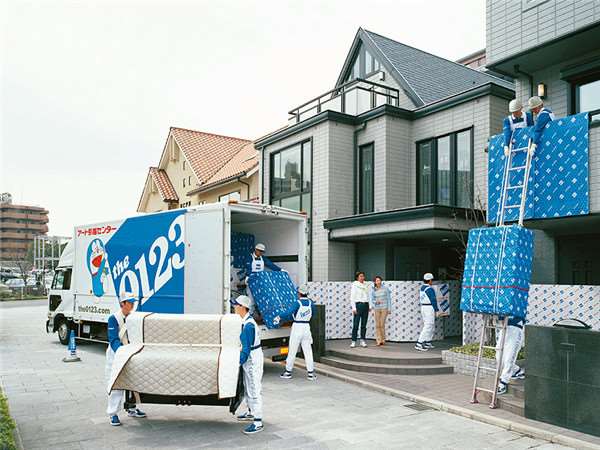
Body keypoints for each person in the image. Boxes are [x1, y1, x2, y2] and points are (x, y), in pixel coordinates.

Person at [106, 293, 146, 426]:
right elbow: (113, 339)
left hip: (130, 353)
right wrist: (121, 353)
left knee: (133, 381)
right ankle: (113, 413)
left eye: (133, 302)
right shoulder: (113, 318)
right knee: (117, 384)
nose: (132, 305)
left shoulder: (133, 317)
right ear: (122, 304)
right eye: (129, 302)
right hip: (116, 355)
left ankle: (131, 408)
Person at [231, 295, 264, 435]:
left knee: (254, 388)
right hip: (253, 356)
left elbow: (245, 350)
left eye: (236, 305)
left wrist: (235, 363)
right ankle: (251, 411)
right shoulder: (246, 321)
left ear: (242, 307)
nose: (234, 307)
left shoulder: (248, 326)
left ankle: (258, 421)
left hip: (252, 360)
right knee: (248, 385)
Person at [278, 284, 317, 381]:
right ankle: (311, 373)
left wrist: (279, 316)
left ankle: (288, 372)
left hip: (297, 327)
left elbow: (288, 312)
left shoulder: (297, 303)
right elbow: (314, 314)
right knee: (308, 351)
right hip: (306, 327)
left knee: (292, 350)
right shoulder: (311, 303)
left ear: (299, 293)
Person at [496, 316, 526, 395]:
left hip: (516, 330)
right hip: (504, 329)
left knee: (509, 358)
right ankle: (517, 371)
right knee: (499, 357)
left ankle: (503, 383)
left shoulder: (519, 308)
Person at [415, 273, 441, 352]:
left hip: (424, 307)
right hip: (429, 308)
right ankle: (419, 343)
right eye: (431, 280)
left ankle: (427, 342)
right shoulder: (430, 289)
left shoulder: (422, 287)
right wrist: (436, 310)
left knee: (430, 325)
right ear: (429, 280)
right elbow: (433, 300)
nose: (432, 281)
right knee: (428, 325)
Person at [350, 271, 370, 348]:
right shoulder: (354, 285)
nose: (362, 277)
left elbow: (368, 296)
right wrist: (354, 308)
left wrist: (370, 306)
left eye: (363, 276)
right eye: (360, 276)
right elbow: (352, 297)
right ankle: (353, 341)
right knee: (356, 324)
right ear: (357, 277)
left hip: (365, 305)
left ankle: (362, 340)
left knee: (364, 325)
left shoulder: (366, 285)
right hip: (358, 305)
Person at [370, 275, 391, 346]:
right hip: (377, 308)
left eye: (379, 280)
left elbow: (389, 299)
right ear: (375, 282)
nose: (378, 282)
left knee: (382, 324)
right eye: (377, 280)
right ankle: (379, 340)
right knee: (377, 325)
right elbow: (372, 299)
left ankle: (383, 339)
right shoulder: (373, 290)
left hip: (384, 308)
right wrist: (376, 302)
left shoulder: (385, 288)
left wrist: (389, 309)